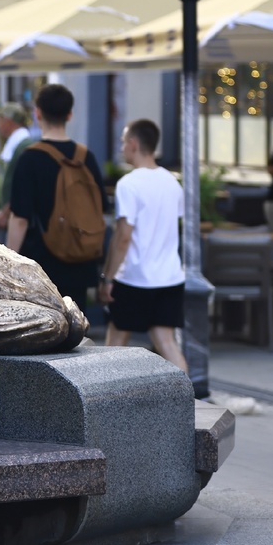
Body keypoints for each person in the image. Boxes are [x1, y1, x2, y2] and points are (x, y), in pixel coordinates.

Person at [98, 120, 187, 373]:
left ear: (134, 144)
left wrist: (107, 278)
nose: (122, 147)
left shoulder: (129, 184)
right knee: (167, 344)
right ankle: (188, 404)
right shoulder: (173, 183)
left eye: (124, 142)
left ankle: (106, 405)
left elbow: (123, 236)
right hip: (169, 277)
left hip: (134, 278)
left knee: (114, 346)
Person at [6, 84, 106, 303]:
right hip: (81, 260)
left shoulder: (29, 158)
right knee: (77, 330)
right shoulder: (86, 157)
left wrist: (9, 264)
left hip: (41, 264)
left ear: (38, 113)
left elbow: (20, 218)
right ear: (70, 115)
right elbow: (101, 207)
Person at [0, 104, 37, 234]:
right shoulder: (19, 143)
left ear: (8, 121)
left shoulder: (23, 147)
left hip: (19, 218)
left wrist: (5, 213)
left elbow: (22, 186)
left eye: (0, 119)